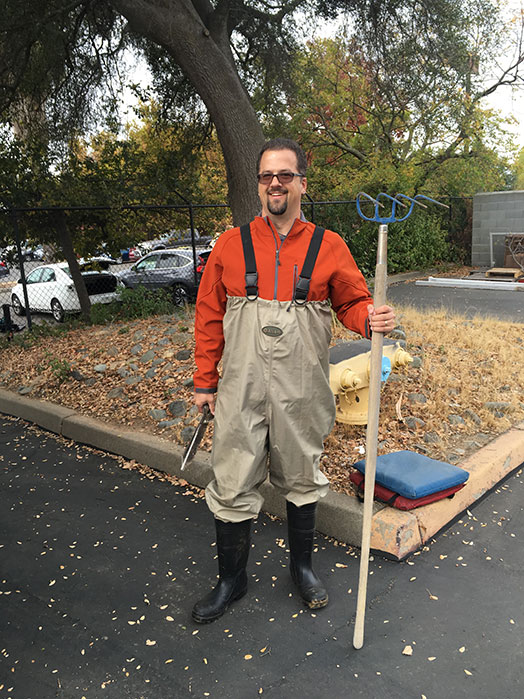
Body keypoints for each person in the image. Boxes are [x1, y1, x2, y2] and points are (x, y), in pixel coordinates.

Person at [191, 137, 395, 624]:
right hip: (240, 386)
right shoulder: (229, 245)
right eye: (266, 176)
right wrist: (204, 381)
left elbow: (351, 303)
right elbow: (208, 314)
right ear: (258, 185)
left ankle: (302, 569)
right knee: (233, 476)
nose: (275, 184)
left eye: (285, 175)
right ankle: (231, 579)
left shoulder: (329, 246)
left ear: (302, 182)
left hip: (301, 386)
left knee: (302, 476)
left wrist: (371, 318)